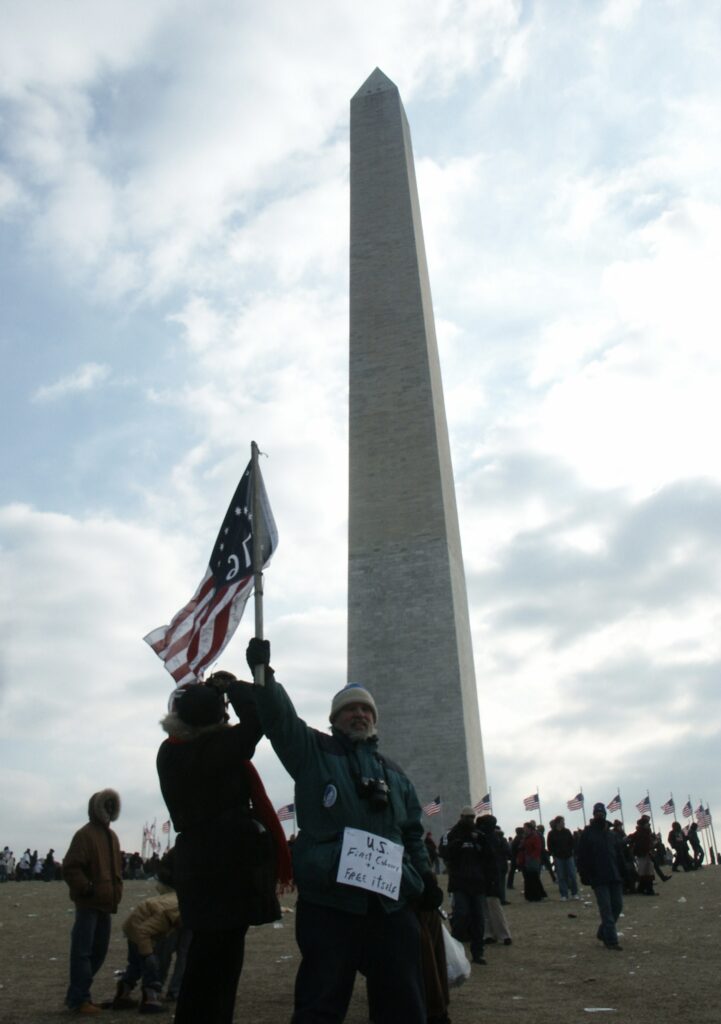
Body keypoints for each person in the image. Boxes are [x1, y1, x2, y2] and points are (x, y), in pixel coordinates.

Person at [247, 637, 441, 1024]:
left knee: (403, 1005)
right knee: (321, 1004)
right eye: (349, 710)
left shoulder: (396, 775)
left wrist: (425, 881)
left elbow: (412, 834)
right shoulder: (312, 753)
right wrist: (264, 677)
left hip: (390, 906)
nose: (358, 715)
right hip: (330, 904)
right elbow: (281, 723)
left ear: (374, 719)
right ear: (334, 719)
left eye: (365, 710)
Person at [157, 670, 290, 1024]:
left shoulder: (170, 753)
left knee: (205, 960)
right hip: (226, 869)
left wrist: (217, 695)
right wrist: (234, 687)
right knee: (221, 966)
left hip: (198, 867)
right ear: (215, 722)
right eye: (223, 715)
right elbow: (256, 720)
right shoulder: (214, 751)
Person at [62, 789, 123, 1014]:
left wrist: (117, 891)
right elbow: (70, 867)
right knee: (83, 953)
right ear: (96, 808)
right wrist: (86, 888)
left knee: (99, 951)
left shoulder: (112, 836)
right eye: (104, 805)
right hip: (88, 904)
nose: (108, 809)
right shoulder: (84, 835)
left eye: (111, 805)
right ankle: (80, 999)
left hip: (106, 904)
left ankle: (76, 995)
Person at [111, 851, 181, 1014]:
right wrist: (147, 954)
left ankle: (123, 995)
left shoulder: (175, 904)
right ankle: (150, 999)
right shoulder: (169, 913)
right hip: (139, 930)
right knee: (151, 965)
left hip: (133, 925)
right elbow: (143, 932)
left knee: (135, 965)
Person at [439, 807, 488, 965]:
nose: (470, 820)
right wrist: (458, 844)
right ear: (461, 817)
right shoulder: (451, 834)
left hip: (477, 883)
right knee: (462, 915)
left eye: (472, 817)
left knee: (479, 919)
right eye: (467, 817)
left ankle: (478, 952)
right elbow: (445, 853)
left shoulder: (479, 835)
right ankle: (456, 950)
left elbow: (489, 855)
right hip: (459, 882)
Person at [576, 802, 624, 951]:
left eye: (601, 813)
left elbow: (619, 855)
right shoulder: (587, 834)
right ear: (593, 815)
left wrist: (625, 872)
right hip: (598, 876)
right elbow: (581, 856)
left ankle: (603, 932)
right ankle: (611, 940)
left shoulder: (611, 835)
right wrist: (584, 874)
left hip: (614, 874)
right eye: (597, 813)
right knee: (606, 909)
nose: (600, 816)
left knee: (617, 906)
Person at [547, 816, 579, 901]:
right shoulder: (551, 833)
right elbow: (550, 845)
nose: (564, 823)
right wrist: (554, 853)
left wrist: (571, 850)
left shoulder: (567, 831)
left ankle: (574, 893)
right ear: (558, 823)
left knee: (572, 875)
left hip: (569, 856)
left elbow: (572, 842)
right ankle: (564, 894)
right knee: (561, 876)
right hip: (558, 857)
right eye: (562, 821)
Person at [518, 821, 545, 901]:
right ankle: (530, 896)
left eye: (525, 828)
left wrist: (532, 857)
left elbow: (538, 848)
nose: (524, 829)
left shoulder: (535, 837)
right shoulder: (525, 837)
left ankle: (537, 896)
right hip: (526, 859)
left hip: (532, 859)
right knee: (528, 878)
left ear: (529, 828)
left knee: (534, 877)